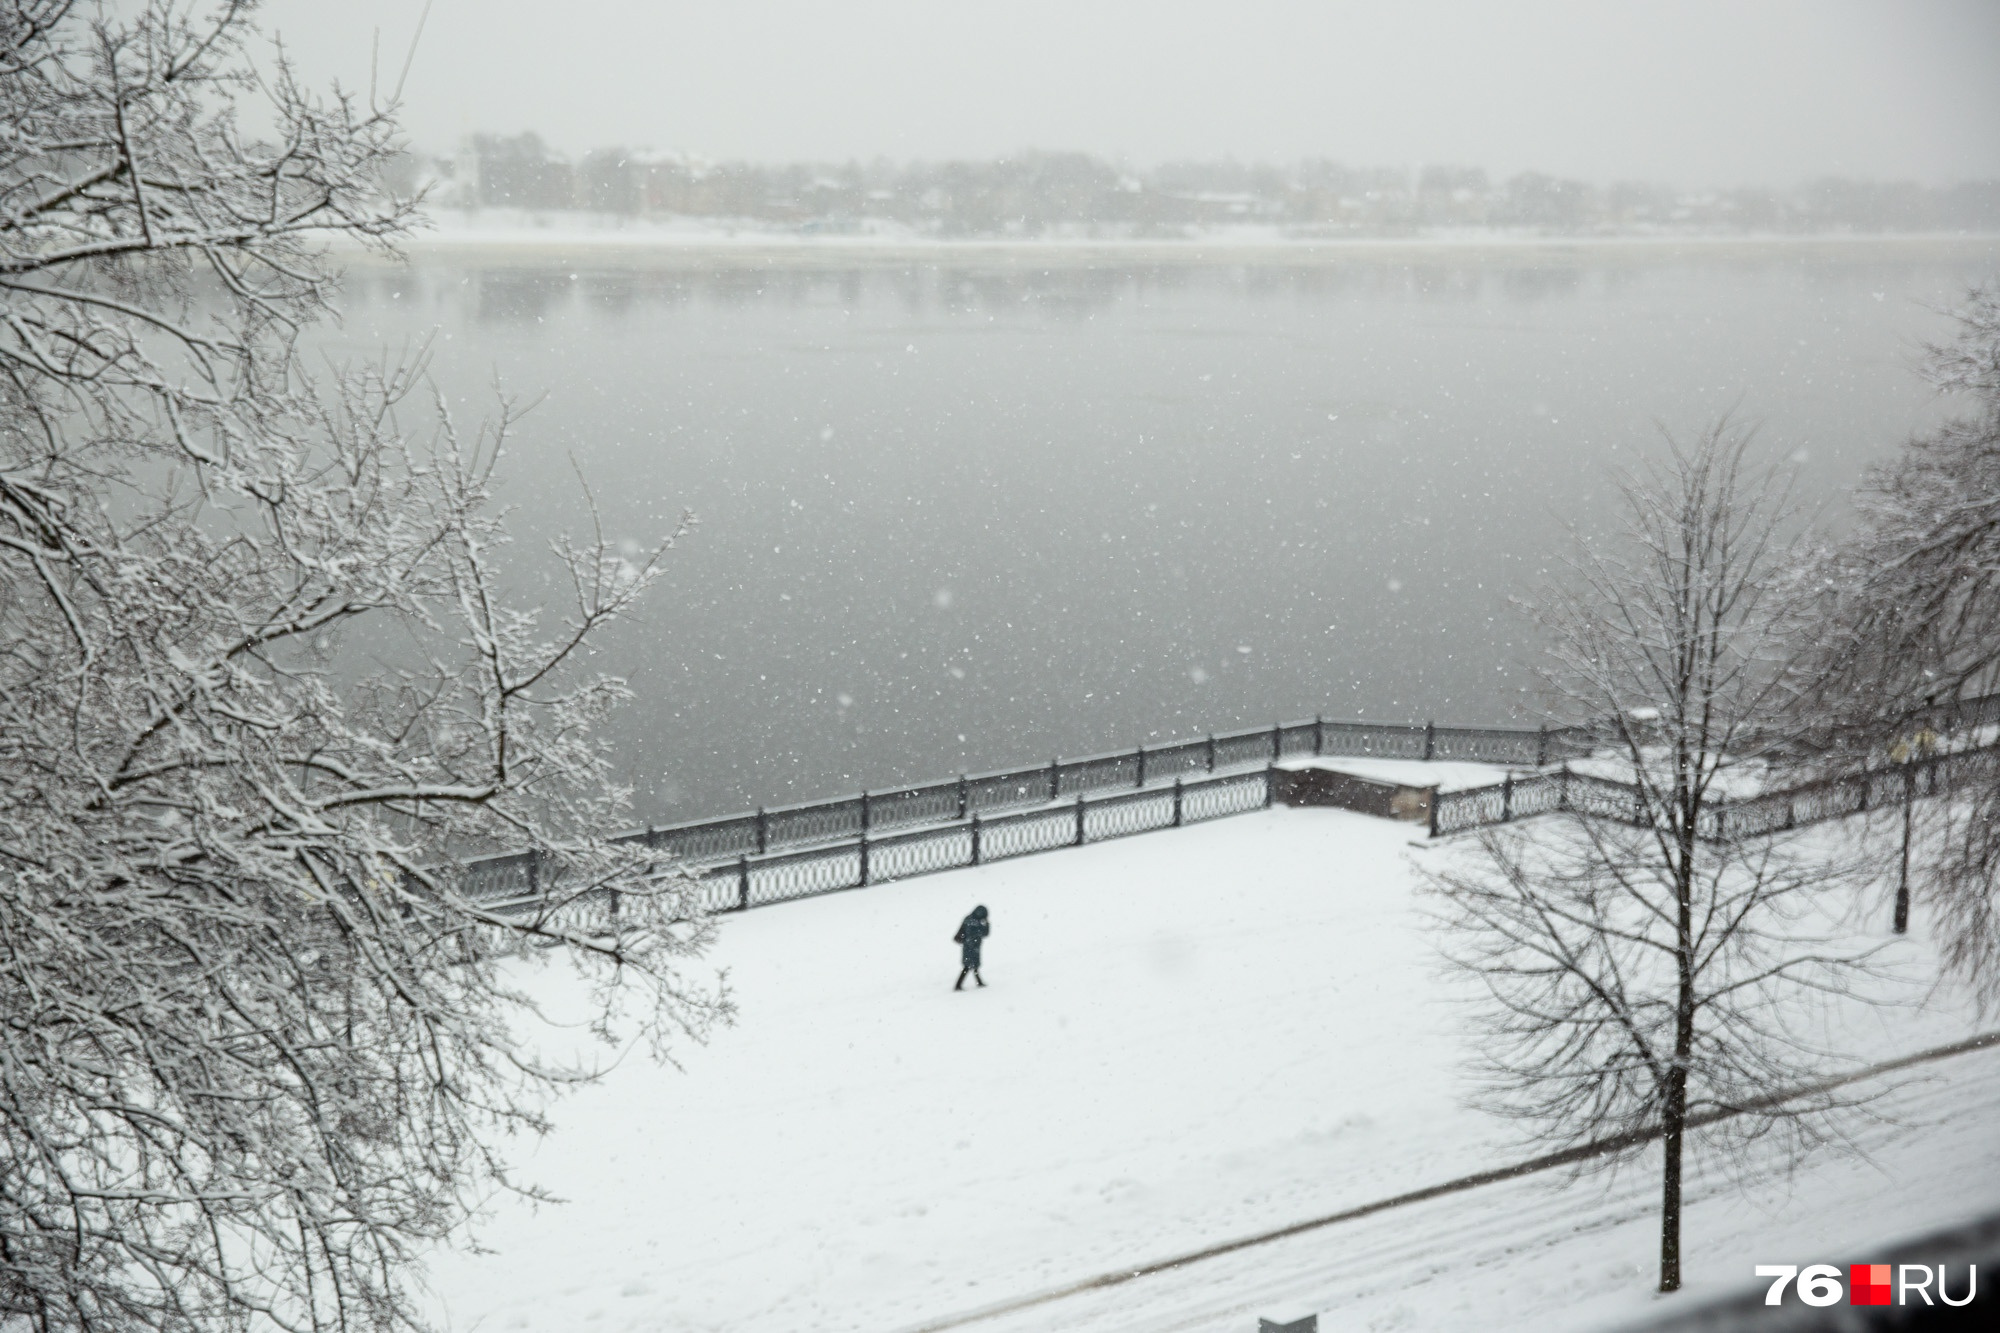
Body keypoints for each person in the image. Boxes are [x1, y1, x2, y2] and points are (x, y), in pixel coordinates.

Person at [953, 905, 990, 991]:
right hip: (972, 946)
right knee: (969, 966)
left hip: (969, 946)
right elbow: (985, 933)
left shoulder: (969, 919)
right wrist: (986, 924)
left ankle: (978, 982)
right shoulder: (978, 922)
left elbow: (963, 930)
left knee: (972, 965)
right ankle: (958, 985)